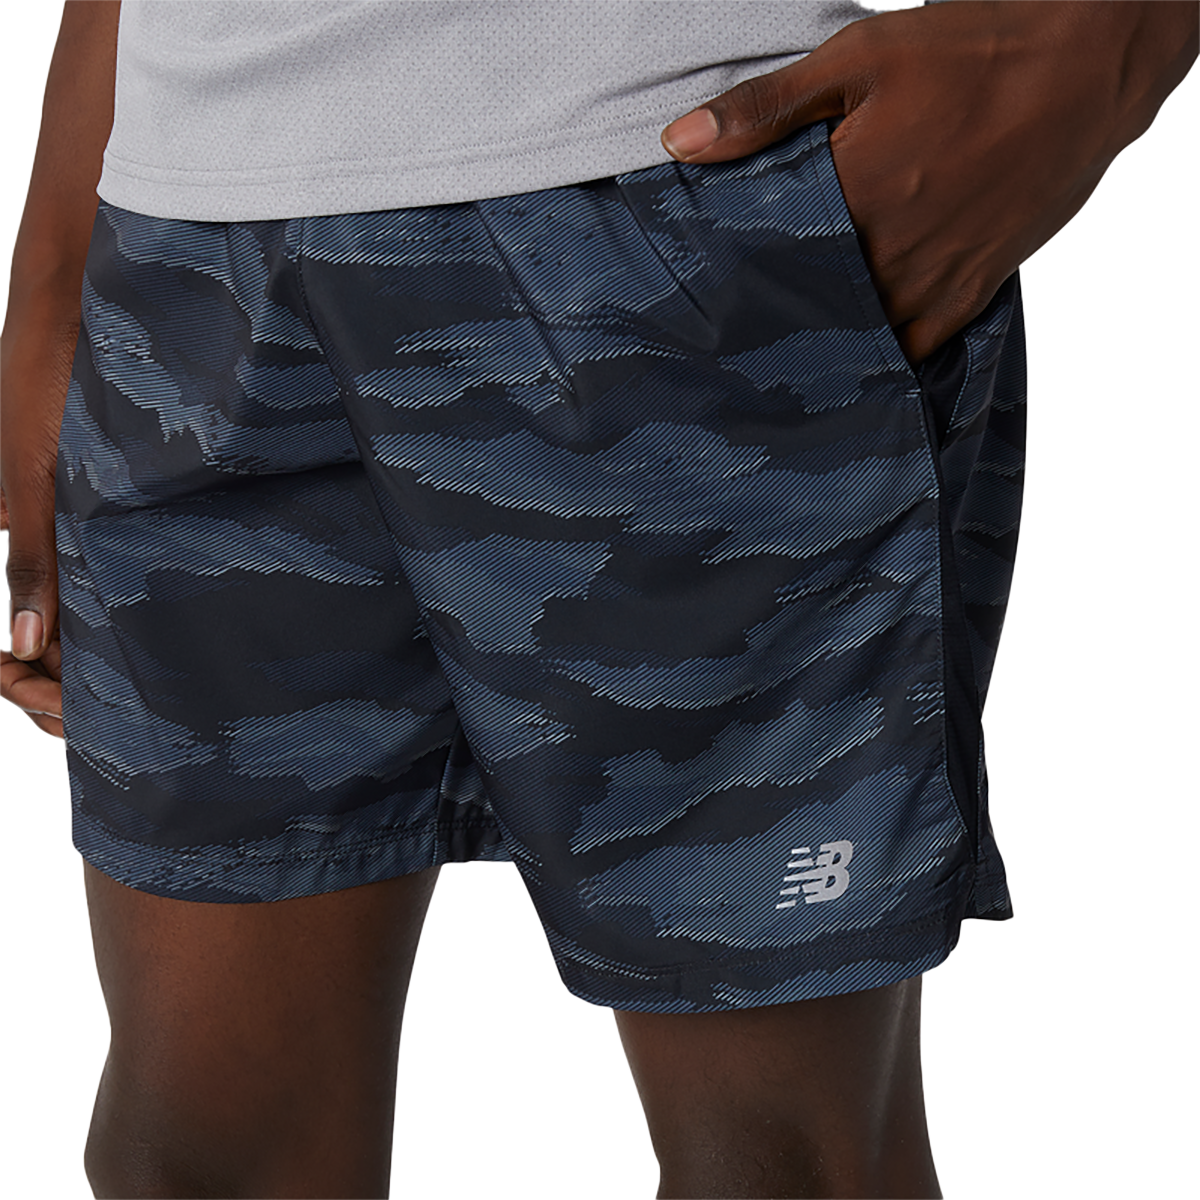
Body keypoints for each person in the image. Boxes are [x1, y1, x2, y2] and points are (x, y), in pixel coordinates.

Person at [0, 2, 1194, 1197]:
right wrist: (52, 268)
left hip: (676, 182)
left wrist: (1113, 43)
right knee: (195, 1163)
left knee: (773, 1164)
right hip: (188, 239)